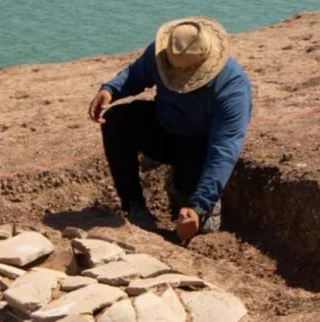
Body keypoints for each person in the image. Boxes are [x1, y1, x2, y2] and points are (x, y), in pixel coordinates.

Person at [88, 16, 252, 243]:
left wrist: (198, 207)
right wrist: (110, 90)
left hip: (200, 147)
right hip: (166, 127)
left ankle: (195, 198)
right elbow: (136, 74)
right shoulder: (165, 53)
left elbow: (223, 151)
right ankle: (135, 205)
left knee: (200, 225)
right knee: (116, 121)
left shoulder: (233, 89)